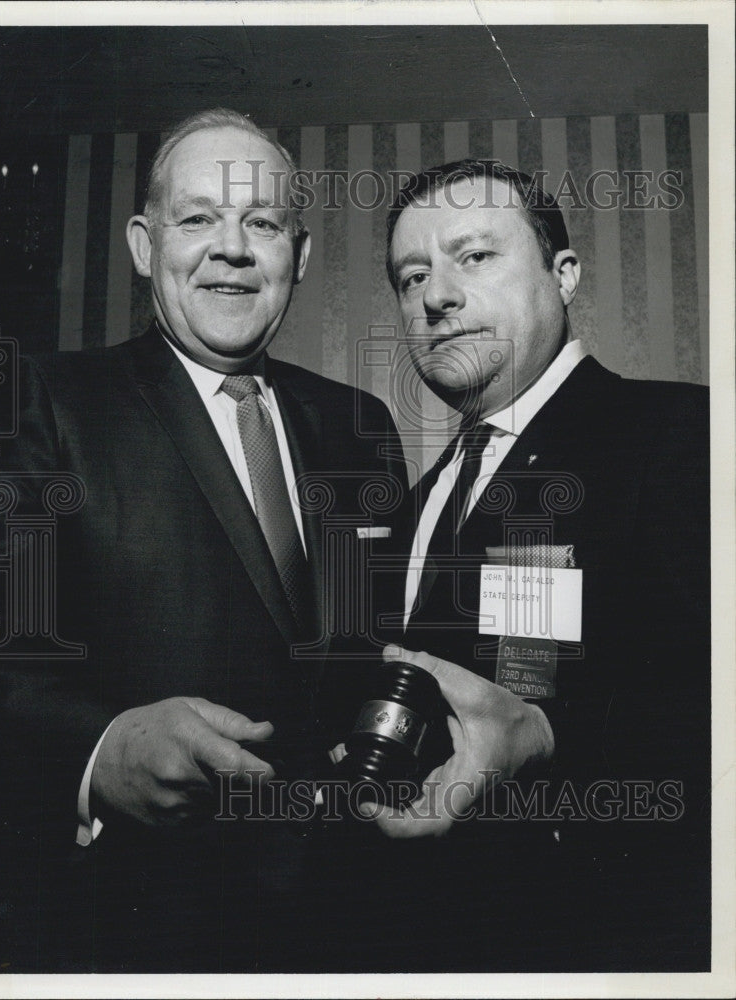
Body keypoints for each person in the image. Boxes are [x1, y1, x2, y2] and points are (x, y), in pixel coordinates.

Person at [0, 108, 404, 973]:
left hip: (344, 912)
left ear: (299, 257)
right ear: (141, 244)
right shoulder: (39, 402)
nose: (231, 248)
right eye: (197, 217)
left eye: (263, 224)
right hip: (128, 924)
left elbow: (368, 638)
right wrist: (98, 751)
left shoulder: (360, 424)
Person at [357, 159, 710, 970]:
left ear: (564, 274)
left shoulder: (683, 435)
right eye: (411, 276)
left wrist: (548, 734)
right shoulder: (410, 508)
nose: (435, 296)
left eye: (473, 256)